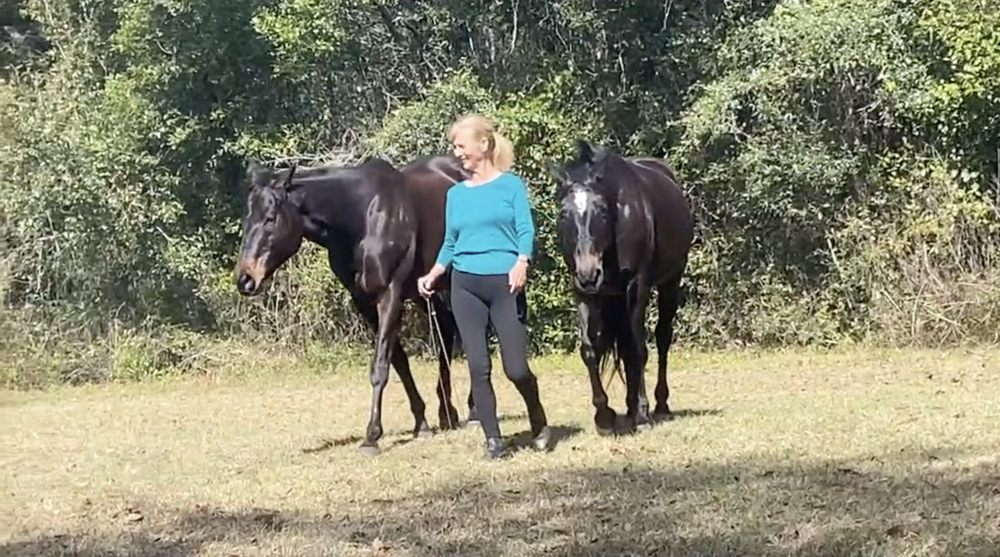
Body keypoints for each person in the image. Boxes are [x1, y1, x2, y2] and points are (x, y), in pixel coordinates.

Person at [417, 114, 551, 459]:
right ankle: (493, 440)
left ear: (484, 145)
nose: (456, 152)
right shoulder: (456, 195)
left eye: (461, 145)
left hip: (504, 283)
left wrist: (522, 261)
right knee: (478, 366)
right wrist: (434, 273)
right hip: (465, 286)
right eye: (454, 146)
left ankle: (538, 417)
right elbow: (451, 241)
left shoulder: (511, 186)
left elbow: (525, 230)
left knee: (516, 368)